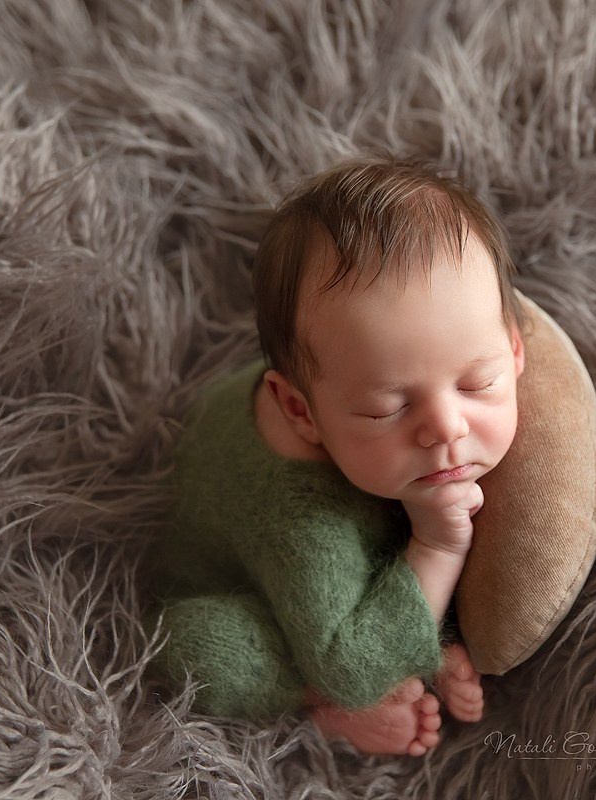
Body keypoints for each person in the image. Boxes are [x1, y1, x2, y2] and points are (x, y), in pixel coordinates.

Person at [152, 154, 525, 757]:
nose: (445, 428)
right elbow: (347, 666)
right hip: (248, 592)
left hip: (335, 413)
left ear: (514, 351)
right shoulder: (303, 526)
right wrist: (437, 545)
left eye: (477, 381)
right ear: (303, 414)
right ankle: (325, 715)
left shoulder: (378, 402)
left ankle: (416, 631)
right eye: (387, 409)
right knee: (207, 649)